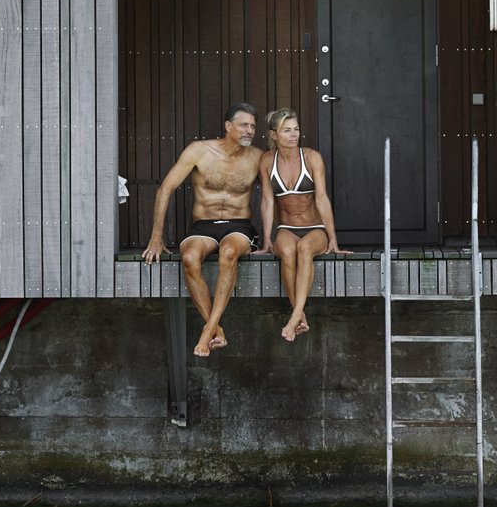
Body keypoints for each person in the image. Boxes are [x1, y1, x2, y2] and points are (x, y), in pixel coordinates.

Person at [142, 103, 262, 358]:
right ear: (228, 126)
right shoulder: (199, 150)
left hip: (239, 226)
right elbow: (165, 189)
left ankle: (207, 333)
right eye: (244, 125)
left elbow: (276, 196)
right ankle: (216, 329)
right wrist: (156, 237)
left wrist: (275, 237)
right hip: (203, 226)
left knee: (228, 253)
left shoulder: (257, 157)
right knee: (189, 258)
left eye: (253, 126)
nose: (250, 130)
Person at [259, 108, 347, 341]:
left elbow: (322, 199)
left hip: (315, 228)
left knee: (304, 248)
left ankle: (295, 316)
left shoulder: (311, 157)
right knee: (288, 252)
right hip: (286, 228)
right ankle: (300, 316)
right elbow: (267, 201)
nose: (293, 135)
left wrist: (333, 239)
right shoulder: (267, 160)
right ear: (274, 135)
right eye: (286, 130)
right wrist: (267, 239)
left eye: (296, 129)